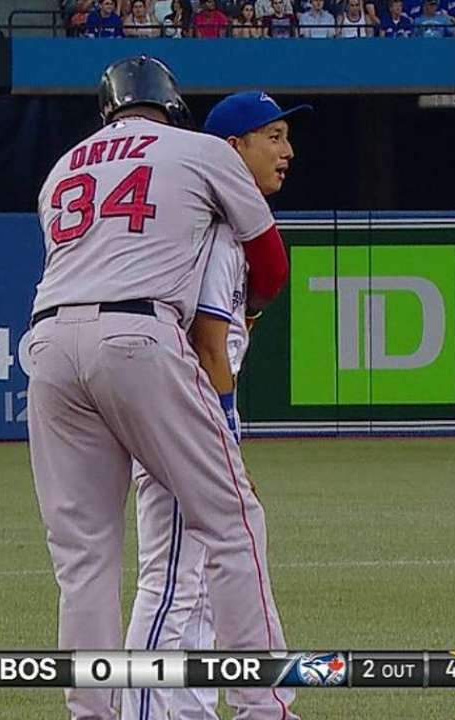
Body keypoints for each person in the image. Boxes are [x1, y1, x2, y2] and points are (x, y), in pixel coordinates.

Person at [29, 55, 298, 720]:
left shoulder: (62, 167)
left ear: (106, 109)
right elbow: (268, 257)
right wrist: (255, 304)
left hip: (48, 344)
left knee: (85, 558)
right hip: (141, 333)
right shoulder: (199, 149)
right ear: (172, 103)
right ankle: (264, 706)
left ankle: (92, 712)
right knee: (233, 523)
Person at [121, 89, 308, 720]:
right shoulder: (216, 231)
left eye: (286, 137)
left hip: (177, 408)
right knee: (174, 582)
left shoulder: (219, 227)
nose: (287, 151)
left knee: (195, 583)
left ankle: (189, 710)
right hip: (184, 412)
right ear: (232, 150)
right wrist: (224, 432)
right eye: (273, 137)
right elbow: (206, 342)